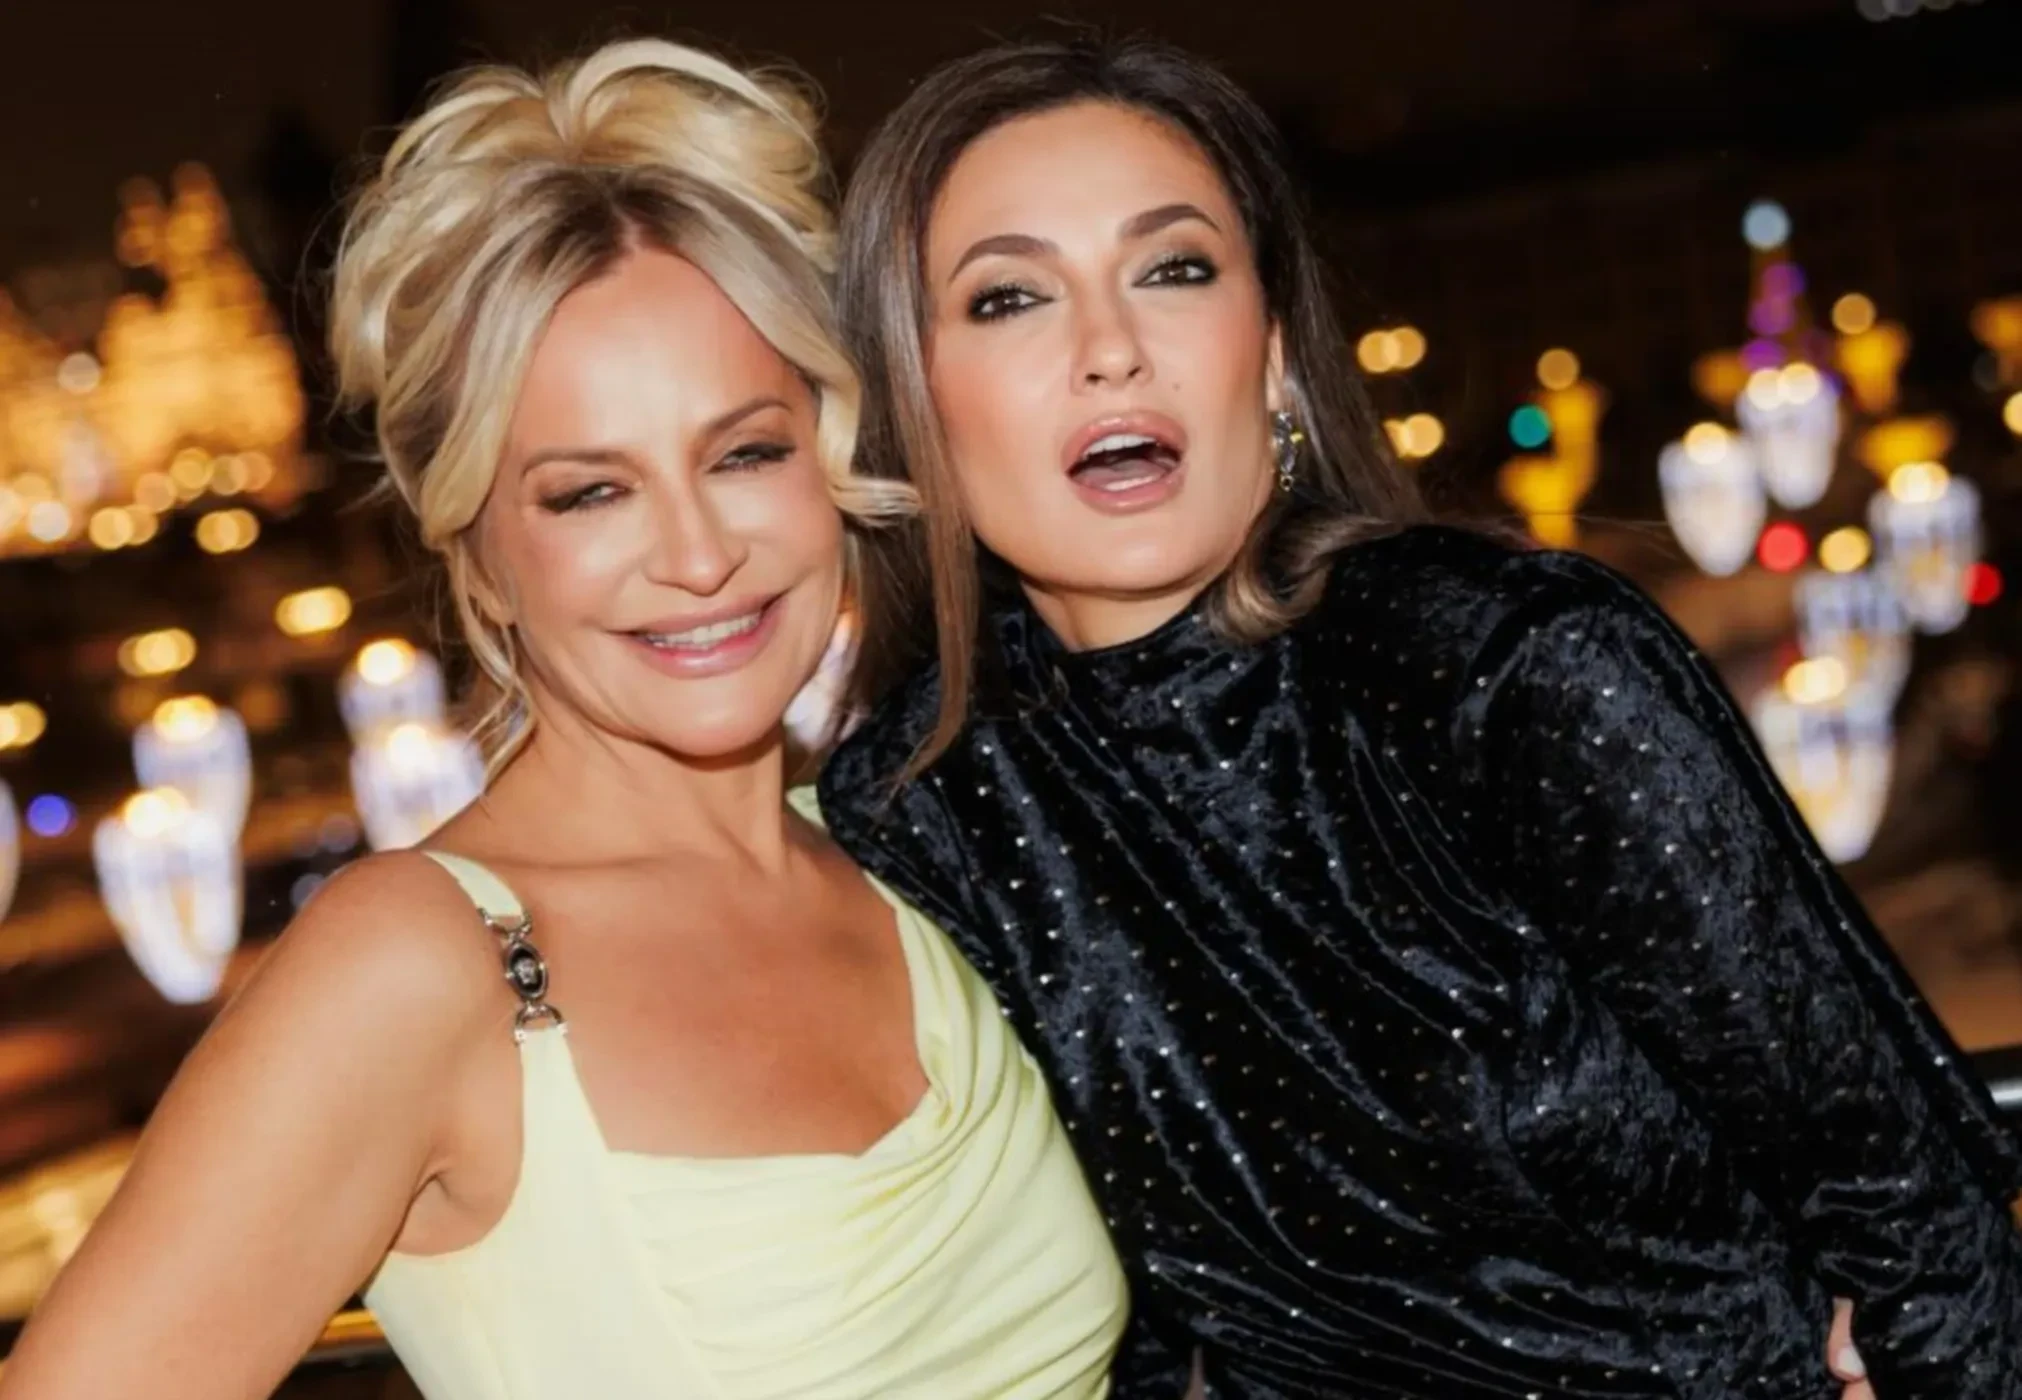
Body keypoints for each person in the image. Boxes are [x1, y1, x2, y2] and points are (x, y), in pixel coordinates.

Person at [816, 33, 2022, 1400]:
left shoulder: (1504, 669)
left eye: (1174, 270)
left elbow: (1920, 1227)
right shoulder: (922, 805)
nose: (1110, 351)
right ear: (912, 402)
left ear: (1274, 354)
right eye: (1009, 298)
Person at [0, 40, 1126, 1400]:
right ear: (478, 555)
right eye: (591, 492)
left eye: (745, 452)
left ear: (832, 461)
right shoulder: (417, 965)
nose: (698, 554)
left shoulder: (913, 855)